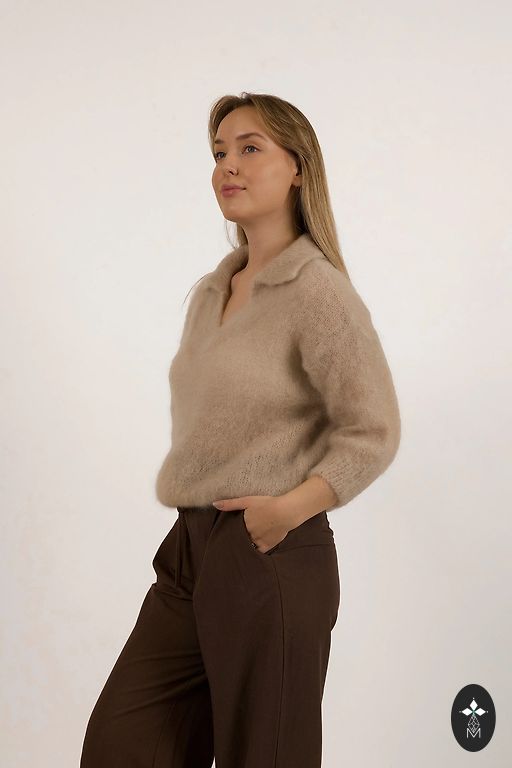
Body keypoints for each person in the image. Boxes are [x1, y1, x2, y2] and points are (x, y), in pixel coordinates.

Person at [79, 91, 401, 768]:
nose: (228, 165)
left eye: (250, 148)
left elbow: (373, 430)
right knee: (121, 745)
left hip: (270, 548)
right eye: (220, 152)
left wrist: (286, 510)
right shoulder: (210, 293)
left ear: (298, 168)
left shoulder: (317, 290)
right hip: (189, 552)